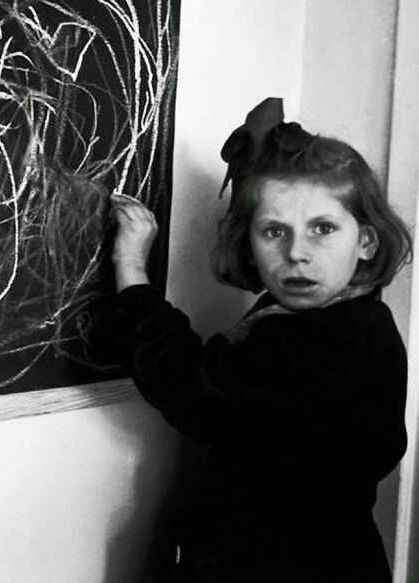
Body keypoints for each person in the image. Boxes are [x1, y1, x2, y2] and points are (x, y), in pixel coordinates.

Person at [108, 97, 411, 583]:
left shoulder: (332, 339)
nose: (297, 254)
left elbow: (192, 389)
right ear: (249, 239)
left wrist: (131, 272)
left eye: (323, 229)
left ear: (366, 242)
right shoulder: (340, 316)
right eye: (274, 231)